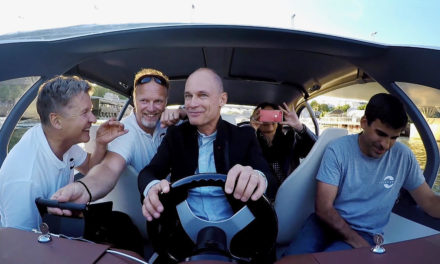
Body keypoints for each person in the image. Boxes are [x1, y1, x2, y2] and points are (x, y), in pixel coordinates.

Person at [283, 93, 440, 256]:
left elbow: (428, 201)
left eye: (394, 137)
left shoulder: (404, 157)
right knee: (293, 259)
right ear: (364, 122)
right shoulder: (337, 150)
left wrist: (362, 242)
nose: (386, 145)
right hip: (323, 224)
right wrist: (359, 244)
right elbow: (323, 208)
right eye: (381, 134)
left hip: (366, 233)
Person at [139, 67, 276, 224]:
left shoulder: (244, 136)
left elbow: (270, 179)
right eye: (188, 96)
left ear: (222, 100)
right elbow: (148, 172)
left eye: (202, 95)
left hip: (237, 230)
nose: (192, 104)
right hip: (182, 230)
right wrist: (152, 187)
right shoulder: (175, 136)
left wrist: (257, 177)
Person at [0, 76, 127, 231]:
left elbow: (88, 167)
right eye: (85, 113)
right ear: (57, 121)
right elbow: (19, 243)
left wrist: (100, 143)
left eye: (91, 111)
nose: (93, 119)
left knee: (121, 223)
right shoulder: (26, 178)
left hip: (57, 224)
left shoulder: (59, 140)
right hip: (31, 244)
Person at [50, 68, 183, 208]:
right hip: (145, 208)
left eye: (158, 101)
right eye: (144, 100)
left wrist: (183, 112)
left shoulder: (177, 125)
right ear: (134, 100)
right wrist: (83, 188)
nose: (151, 108)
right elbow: (108, 168)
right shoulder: (124, 131)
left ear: (166, 101)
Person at [250, 102, 316, 185]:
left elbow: (316, 149)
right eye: (263, 116)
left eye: (272, 115)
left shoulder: (291, 140)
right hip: (262, 194)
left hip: (289, 189)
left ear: (279, 118)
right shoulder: (250, 143)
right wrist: (250, 131)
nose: (268, 120)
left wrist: (299, 126)